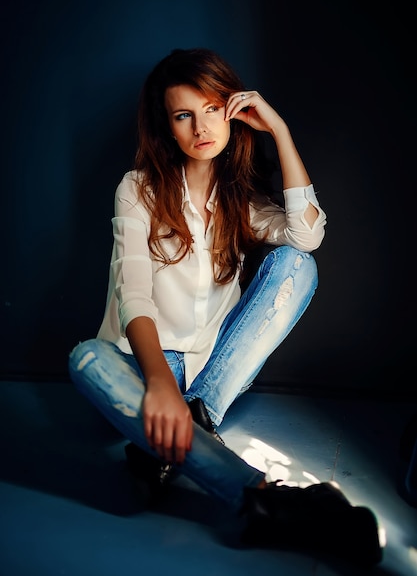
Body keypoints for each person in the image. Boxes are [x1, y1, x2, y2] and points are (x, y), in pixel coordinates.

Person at [69, 48, 382, 565]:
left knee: (296, 264)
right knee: (87, 358)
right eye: (183, 115)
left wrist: (278, 130)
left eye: (213, 108)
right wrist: (161, 387)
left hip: (213, 376)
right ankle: (265, 497)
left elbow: (306, 237)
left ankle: (177, 440)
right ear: (167, 127)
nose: (201, 127)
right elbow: (134, 295)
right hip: (149, 369)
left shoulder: (242, 202)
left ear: (233, 114)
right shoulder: (138, 190)